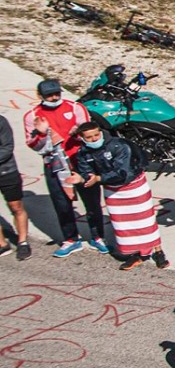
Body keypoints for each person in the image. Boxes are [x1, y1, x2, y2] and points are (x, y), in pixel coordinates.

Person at [69, 124, 165, 270]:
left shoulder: (118, 145)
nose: (94, 139)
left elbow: (122, 172)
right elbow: (87, 172)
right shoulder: (83, 153)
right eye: (89, 137)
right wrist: (82, 180)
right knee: (123, 223)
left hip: (133, 185)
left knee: (145, 219)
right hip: (112, 189)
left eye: (96, 135)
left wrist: (98, 178)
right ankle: (137, 253)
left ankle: (158, 251)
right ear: (82, 138)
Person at [25, 79, 103, 256]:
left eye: (57, 94)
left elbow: (90, 135)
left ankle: (98, 237)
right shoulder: (32, 116)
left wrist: (78, 133)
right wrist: (43, 134)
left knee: (92, 201)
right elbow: (33, 144)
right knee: (61, 204)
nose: (54, 98)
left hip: (81, 161)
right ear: (40, 96)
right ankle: (71, 239)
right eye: (49, 95)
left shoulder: (76, 108)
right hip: (54, 164)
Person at [0, 112, 30, 261]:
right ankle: (2, 244)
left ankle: (23, 241)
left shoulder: (1, 121)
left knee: (16, 206)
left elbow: (7, 147)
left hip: (6, 172)